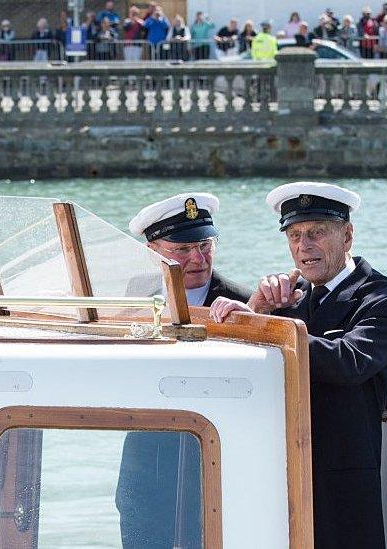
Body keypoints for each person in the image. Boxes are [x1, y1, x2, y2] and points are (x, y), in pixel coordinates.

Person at [209, 181, 387, 549]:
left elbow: (347, 362)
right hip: (275, 474)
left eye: (316, 233)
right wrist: (257, 308)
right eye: (294, 235)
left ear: (347, 235)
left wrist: (261, 324)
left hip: (341, 488)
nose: (303, 247)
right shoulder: (286, 300)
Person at [118, 192, 250, 549]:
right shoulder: (135, 295)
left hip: (213, 452)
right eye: (182, 249)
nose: (197, 258)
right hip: (146, 452)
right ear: (153, 250)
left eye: (205, 245)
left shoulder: (243, 303)